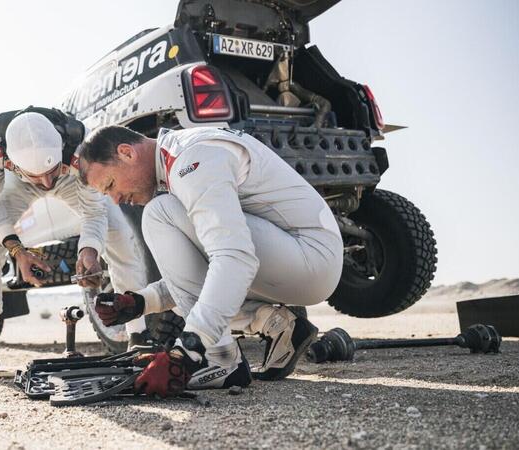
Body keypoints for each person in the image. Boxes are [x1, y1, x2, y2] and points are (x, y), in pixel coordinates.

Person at [79, 126, 344, 397]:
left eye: (110, 185)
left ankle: (220, 358)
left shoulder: (190, 160)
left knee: (160, 213)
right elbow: (198, 278)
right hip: (304, 259)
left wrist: (188, 350)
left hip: (311, 256)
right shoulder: (180, 157)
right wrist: (141, 302)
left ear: (126, 153)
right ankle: (274, 323)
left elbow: (234, 257)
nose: (116, 199)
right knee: (169, 215)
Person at [0, 109, 148, 381]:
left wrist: (89, 249)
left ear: (61, 147)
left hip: (71, 177)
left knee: (117, 228)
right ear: (9, 159)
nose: (47, 184)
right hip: (19, 182)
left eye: (50, 172)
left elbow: (94, 212)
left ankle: (139, 335)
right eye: (40, 177)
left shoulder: (80, 143)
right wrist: (17, 251)